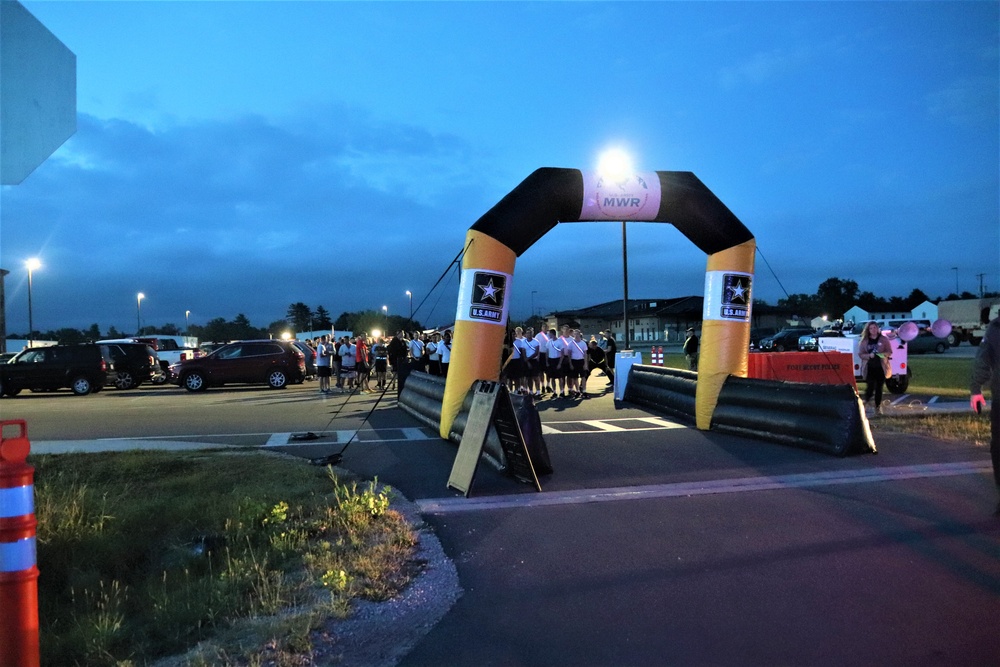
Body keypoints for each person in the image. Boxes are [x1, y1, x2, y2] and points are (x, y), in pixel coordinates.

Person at [970, 315, 1000, 516]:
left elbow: (983, 358)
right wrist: (976, 388)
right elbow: (983, 359)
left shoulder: (996, 327)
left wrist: (976, 389)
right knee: (998, 447)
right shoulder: (995, 327)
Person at [857, 321, 892, 415]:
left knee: (879, 388)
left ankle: (877, 407)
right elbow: (861, 354)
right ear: (868, 330)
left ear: (878, 328)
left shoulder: (883, 339)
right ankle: (865, 403)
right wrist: (869, 355)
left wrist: (883, 354)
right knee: (870, 386)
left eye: (875, 328)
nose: (873, 330)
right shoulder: (864, 341)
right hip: (869, 367)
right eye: (871, 328)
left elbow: (889, 351)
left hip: (881, 367)